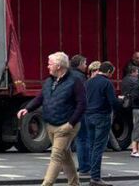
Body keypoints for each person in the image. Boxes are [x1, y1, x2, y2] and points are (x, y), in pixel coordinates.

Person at [18, 51, 86, 186]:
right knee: (65, 155)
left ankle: (46, 184)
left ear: (59, 66)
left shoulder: (75, 81)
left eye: (50, 64)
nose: (48, 66)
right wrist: (28, 108)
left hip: (65, 125)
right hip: (51, 124)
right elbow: (41, 97)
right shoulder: (49, 81)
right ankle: (74, 183)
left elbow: (82, 104)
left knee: (56, 156)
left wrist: (70, 124)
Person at [83, 61, 121, 186]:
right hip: (101, 116)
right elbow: (112, 102)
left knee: (92, 145)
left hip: (88, 115)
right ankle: (95, 178)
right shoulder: (106, 83)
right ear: (109, 72)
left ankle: (91, 172)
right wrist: (121, 103)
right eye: (112, 73)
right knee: (98, 147)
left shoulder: (88, 82)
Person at [71, 54, 91, 179]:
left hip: (70, 111)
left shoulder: (68, 75)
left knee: (70, 140)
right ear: (79, 64)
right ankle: (85, 166)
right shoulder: (80, 77)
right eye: (84, 63)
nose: (86, 65)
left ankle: (66, 166)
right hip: (80, 111)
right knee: (84, 138)